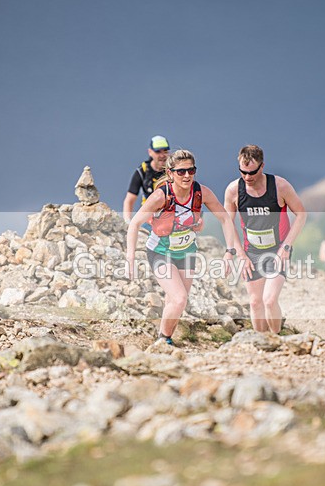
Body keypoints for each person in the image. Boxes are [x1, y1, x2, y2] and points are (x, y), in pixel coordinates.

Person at [127, 149, 249, 345]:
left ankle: (165, 340)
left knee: (174, 301)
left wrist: (229, 252)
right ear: (170, 173)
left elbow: (225, 218)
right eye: (181, 172)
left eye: (191, 171)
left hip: (187, 252)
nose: (187, 176)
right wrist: (130, 258)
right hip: (160, 251)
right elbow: (134, 224)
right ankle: (163, 340)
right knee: (179, 298)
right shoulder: (160, 196)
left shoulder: (201, 192)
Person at [223, 145, 308, 334]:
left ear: (262, 166)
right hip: (251, 251)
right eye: (243, 172)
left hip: (277, 249)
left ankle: (276, 338)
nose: (247, 177)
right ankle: (260, 341)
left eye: (252, 172)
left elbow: (301, 214)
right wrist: (240, 255)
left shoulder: (280, 186)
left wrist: (286, 246)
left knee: (269, 300)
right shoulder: (233, 190)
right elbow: (228, 225)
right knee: (255, 302)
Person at [122, 135, 170, 224]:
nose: (162, 155)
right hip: (149, 218)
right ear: (150, 152)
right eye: (158, 152)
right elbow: (129, 200)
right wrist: (127, 221)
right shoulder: (142, 171)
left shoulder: (175, 170)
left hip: (170, 217)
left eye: (165, 151)